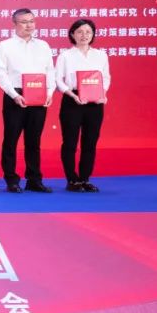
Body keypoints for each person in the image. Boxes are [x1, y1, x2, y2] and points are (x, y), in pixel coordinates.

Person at [0, 8, 56, 193]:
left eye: (31, 21)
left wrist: (49, 92)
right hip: (16, 94)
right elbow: (0, 72)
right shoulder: (5, 46)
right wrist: (14, 94)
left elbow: (50, 70)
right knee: (11, 139)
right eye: (24, 22)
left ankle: (34, 179)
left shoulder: (43, 45)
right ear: (14, 24)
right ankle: (11, 179)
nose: (29, 25)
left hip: (39, 94)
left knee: (34, 140)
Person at [55, 19, 110, 192]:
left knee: (90, 142)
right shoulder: (65, 56)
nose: (84, 35)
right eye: (79, 32)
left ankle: (85, 179)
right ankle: (72, 180)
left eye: (88, 32)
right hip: (73, 100)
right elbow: (58, 80)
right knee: (70, 142)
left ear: (93, 34)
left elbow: (105, 77)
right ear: (72, 34)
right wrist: (72, 94)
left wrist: (103, 93)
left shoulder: (101, 55)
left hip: (95, 102)